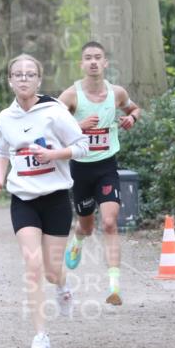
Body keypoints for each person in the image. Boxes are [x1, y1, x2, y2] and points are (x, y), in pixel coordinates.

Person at [0, 54, 89, 348]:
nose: (24, 79)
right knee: (32, 266)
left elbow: (82, 146)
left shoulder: (54, 111)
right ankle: (40, 338)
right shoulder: (5, 117)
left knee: (52, 271)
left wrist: (55, 155)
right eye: (18, 74)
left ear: (39, 80)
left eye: (30, 74)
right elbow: (2, 150)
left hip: (55, 198)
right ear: (10, 81)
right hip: (23, 200)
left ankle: (62, 286)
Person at [58, 41, 142, 306]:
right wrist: (78, 126)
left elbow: (135, 108)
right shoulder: (70, 96)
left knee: (109, 223)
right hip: (80, 169)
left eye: (98, 57)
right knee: (87, 225)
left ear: (105, 63)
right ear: (81, 64)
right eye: (88, 58)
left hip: (107, 167)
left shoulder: (116, 93)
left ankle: (114, 286)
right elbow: (51, 127)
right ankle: (78, 239)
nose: (93, 62)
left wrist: (131, 119)